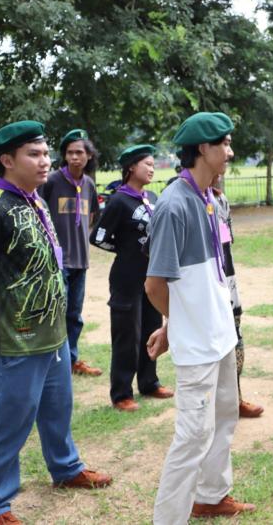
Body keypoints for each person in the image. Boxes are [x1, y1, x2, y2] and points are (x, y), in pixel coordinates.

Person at [0, 121, 112, 525]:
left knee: (57, 406)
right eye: (34, 154)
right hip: (15, 337)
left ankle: (65, 468)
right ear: (7, 160)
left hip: (53, 330)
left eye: (46, 154)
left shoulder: (34, 200)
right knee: (11, 417)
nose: (45, 161)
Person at [145, 112, 255, 523]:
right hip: (200, 345)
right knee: (192, 437)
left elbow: (204, 279)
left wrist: (179, 323)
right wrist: (177, 325)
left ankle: (211, 495)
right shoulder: (174, 205)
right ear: (203, 150)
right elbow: (155, 285)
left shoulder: (209, 197)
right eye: (224, 144)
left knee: (223, 417)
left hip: (221, 334)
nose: (230, 151)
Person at [89, 144, 174, 412]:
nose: (151, 168)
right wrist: (125, 251)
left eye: (152, 164)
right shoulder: (118, 200)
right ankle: (122, 393)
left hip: (152, 277)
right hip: (126, 278)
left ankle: (149, 382)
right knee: (127, 335)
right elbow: (98, 237)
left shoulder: (151, 196)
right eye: (146, 164)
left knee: (151, 328)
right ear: (130, 168)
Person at [38, 128, 101, 376]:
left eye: (80, 152)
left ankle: (72, 360)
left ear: (88, 156)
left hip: (80, 260)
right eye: (70, 153)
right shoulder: (52, 181)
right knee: (56, 312)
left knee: (74, 314)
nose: (75, 157)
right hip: (57, 260)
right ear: (64, 156)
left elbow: (92, 216)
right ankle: (54, 363)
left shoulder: (89, 184)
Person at [212, 176, 264, 419]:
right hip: (207, 281)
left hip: (228, 278)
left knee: (236, 335)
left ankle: (236, 398)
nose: (221, 173)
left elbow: (226, 241)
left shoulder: (221, 198)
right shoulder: (190, 198)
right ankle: (215, 405)